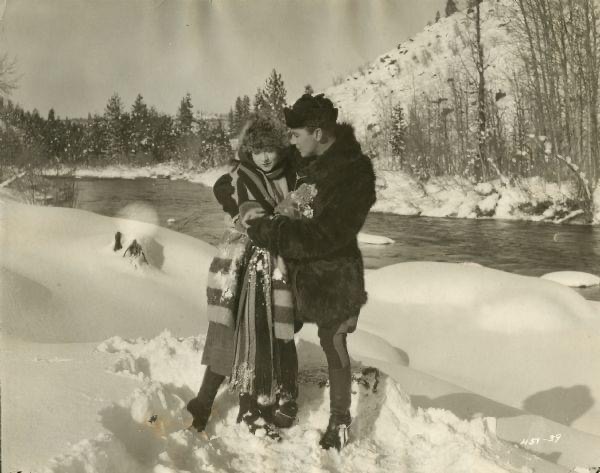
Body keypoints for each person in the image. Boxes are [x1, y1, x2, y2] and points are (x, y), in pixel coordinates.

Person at [245, 94, 377, 450]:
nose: (291, 141)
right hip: (297, 273)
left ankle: (340, 420)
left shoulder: (355, 173)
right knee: (276, 331)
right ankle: (277, 398)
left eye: (296, 134)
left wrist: (271, 232)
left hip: (335, 277)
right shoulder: (309, 159)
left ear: (317, 133)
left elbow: (328, 235)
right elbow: (253, 161)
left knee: (332, 343)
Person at [187, 114, 300, 439]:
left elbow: (306, 205)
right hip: (239, 263)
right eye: (259, 149)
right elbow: (227, 192)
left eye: (271, 150)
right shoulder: (240, 175)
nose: (266, 156)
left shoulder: (292, 176)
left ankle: (268, 401)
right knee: (229, 332)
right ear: (250, 150)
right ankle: (204, 402)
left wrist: (290, 212)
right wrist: (244, 217)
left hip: (276, 264)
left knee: (269, 333)